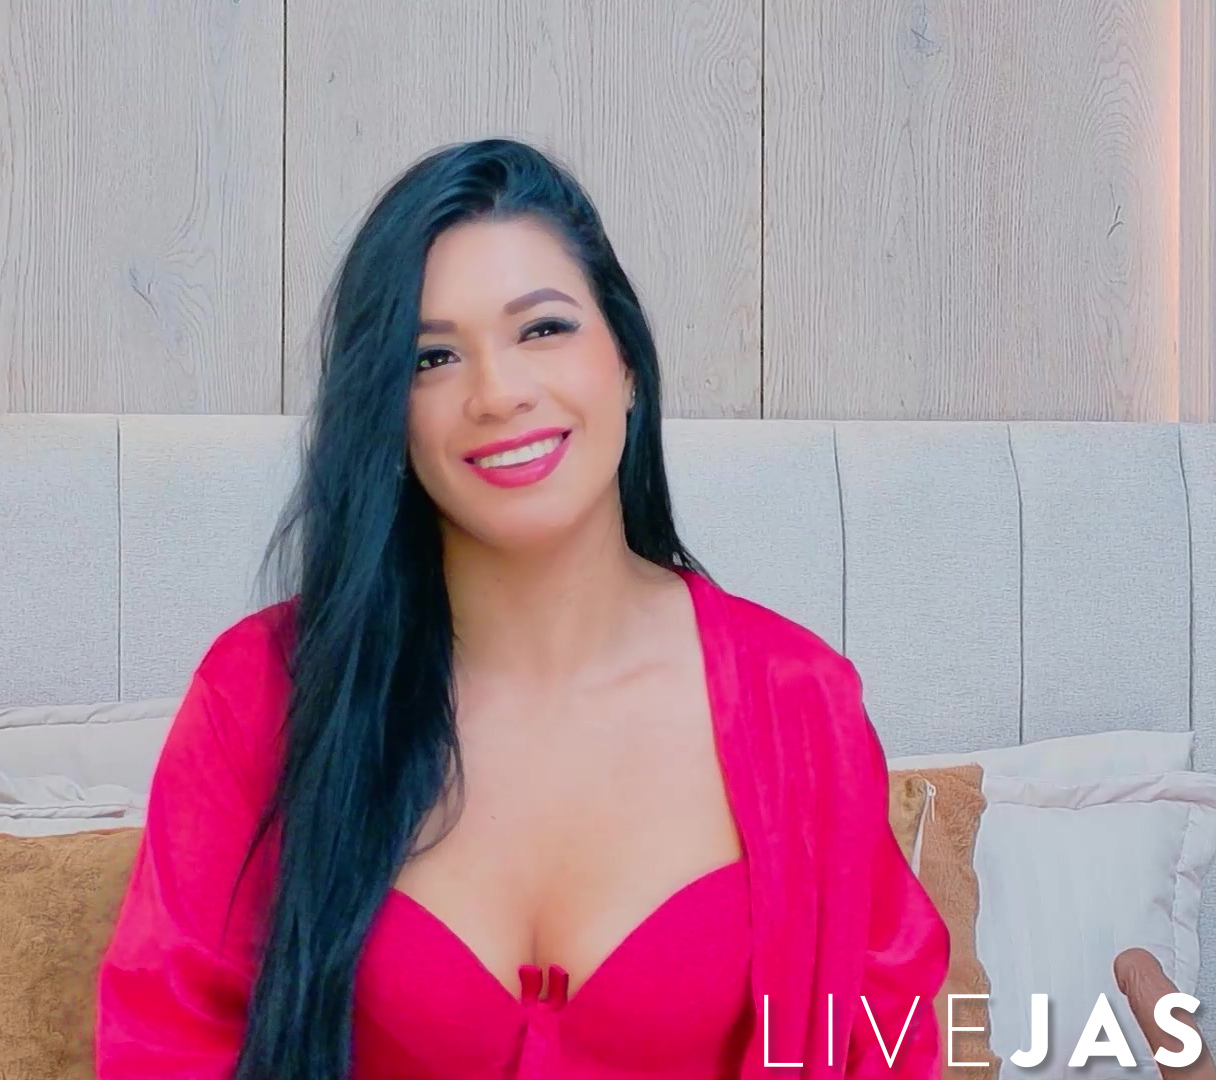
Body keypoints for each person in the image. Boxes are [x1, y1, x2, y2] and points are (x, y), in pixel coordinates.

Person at [94, 137, 948, 1080]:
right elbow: (165, 1041)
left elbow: (886, 1042)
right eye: (432, 357)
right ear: (386, 413)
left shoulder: (799, 701)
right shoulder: (261, 692)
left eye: (542, 329)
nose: (498, 394)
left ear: (626, 362)